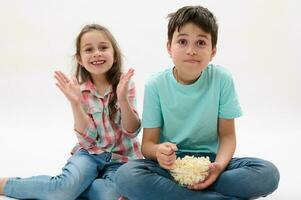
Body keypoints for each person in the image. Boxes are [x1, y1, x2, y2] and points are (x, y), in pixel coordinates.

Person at [115, 5, 280, 200]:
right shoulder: (156, 85)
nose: (191, 50)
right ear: (169, 47)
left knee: (267, 174)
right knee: (126, 176)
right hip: (169, 166)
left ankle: (173, 194)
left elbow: (227, 136)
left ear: (213, 51)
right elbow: (148, 145)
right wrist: (159, 151)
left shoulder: (222, 79)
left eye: (201, 43)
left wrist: (218, 168)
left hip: (210, 163)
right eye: (182, 41)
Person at [0, 24, 142, 200]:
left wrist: (122, 99)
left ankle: (77, 187)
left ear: (114, 55)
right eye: (89, 49)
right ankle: (6, 185)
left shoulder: (125, 84)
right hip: (90, 154)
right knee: (62, 190)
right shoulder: (79, 90)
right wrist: (75, 103)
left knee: (110, 196)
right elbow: (88, 140)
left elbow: (132, 130)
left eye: (103, 47)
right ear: (80, 59)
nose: (97, 53)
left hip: (122, 159)